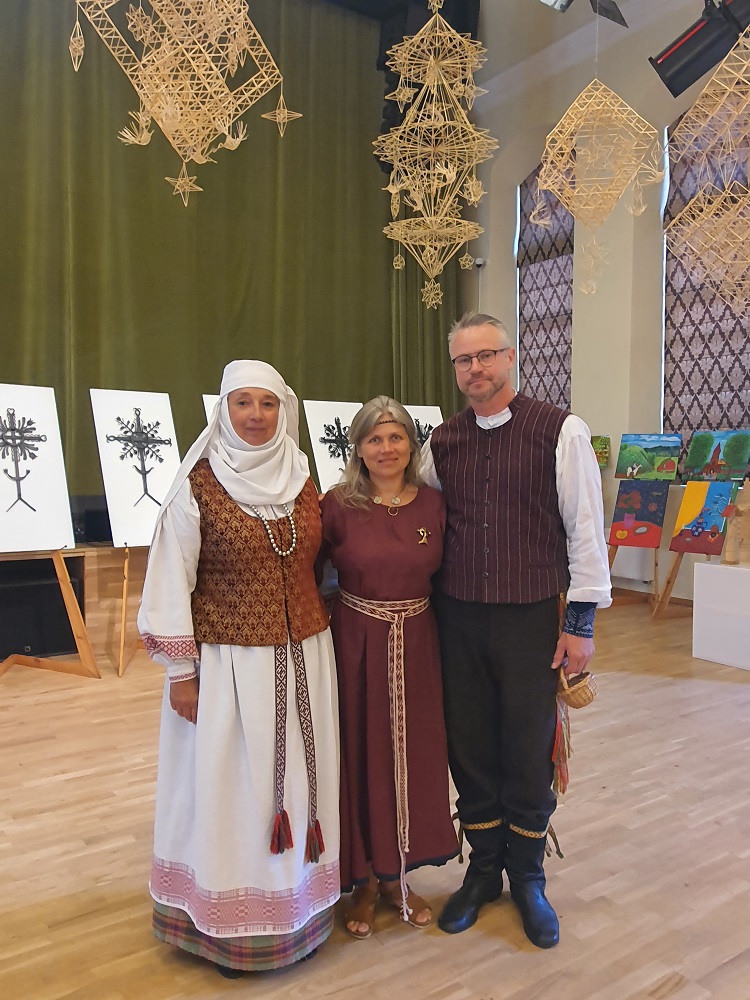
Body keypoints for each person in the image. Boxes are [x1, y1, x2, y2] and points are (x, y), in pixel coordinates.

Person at [137, 360, 339, 976]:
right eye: (243, 402)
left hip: (305, 663)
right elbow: (170, 578)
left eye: (267, 403)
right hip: (226, 669)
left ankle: (299, 914)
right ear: (222, 410)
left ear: (284, 410)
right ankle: (231, 929)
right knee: (231, 793)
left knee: (300, 790)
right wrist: (182, 673)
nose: (256, 415)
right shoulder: (196, 486)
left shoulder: (304, 479)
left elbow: (325, 565)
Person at [421, 313, 611, 949]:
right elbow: (419, 519)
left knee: (528, 748)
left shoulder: (560, 430)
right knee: (470, 745)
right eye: (463, 359)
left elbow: (585, 529)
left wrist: (580, 624)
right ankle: (483, 871)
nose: (475, 368)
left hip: (531, 619)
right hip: (457, 619)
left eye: (486, 355)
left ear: (509, 358)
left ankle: (528, 876)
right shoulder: (441, 443)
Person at [318, 396, 459, 940]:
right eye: (374, 438)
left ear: (411, 444)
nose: (385, 448)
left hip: (419, 643)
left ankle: (399, 876)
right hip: (355, 643)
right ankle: (363, 882)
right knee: (362, 755)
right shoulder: (336, 505)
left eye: (395, 436)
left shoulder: (434, 505)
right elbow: (308, 576)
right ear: (357, 448)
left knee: (413, 755)